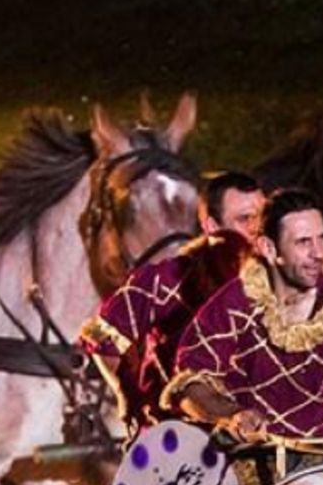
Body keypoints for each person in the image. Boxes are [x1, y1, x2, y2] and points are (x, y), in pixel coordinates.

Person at [162, 187, 323, 444]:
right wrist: (233, 415)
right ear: (268, 248)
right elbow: (190, 385)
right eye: (303, 242)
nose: (318, 253)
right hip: (253, 459)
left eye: (322, 239)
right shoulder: (232, 305)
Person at [80, 172, 265, 430]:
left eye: (263, 218)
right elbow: (102, 337)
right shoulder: (166, 279)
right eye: (245, 219)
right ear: (212, 227)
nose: (257, 229)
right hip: (178, 435)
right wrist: (129, 397)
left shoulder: (282, 279)